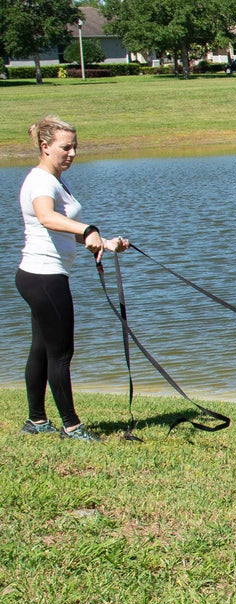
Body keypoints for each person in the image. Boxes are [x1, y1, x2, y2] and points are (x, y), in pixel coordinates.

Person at [16, 115, 129, 442]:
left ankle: (36, 421)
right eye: (66, 147)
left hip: (37, 275)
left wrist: (104, 242)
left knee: (41, 348)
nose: (73, 153)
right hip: (44, 277)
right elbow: (47, 218)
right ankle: (71, 426)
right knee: (61, 352)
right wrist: (87, 229)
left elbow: (61, 229)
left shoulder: (53, 179)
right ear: (45, 146)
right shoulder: (41, 181)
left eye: (75, 147)